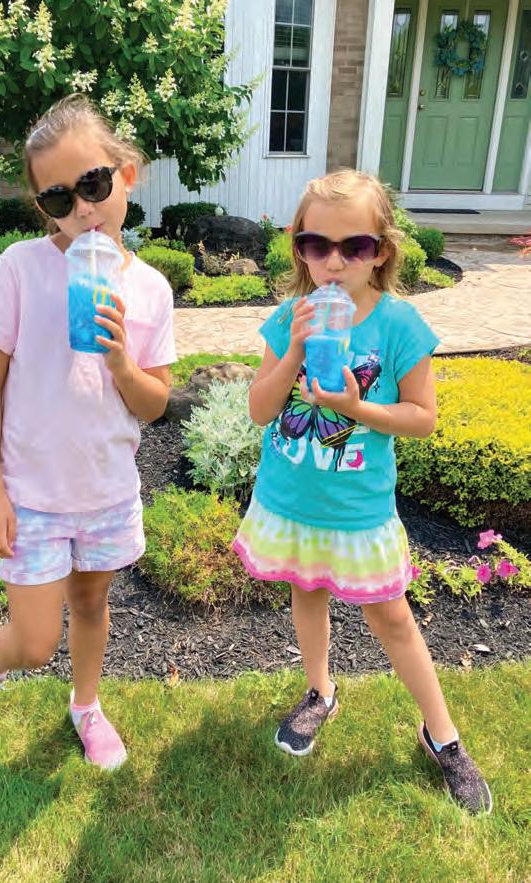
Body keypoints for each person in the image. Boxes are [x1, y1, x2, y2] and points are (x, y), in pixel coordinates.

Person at [232, 169, 492, 814]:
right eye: (316, 245)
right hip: (293, 500)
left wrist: (355, 407)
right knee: (307, 591)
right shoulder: (288, 318)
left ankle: (442, 736)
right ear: (298, 247)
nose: (334, 262)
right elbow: (261, 410)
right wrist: (294, 348)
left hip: (358, 508)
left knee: (392, 616)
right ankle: (320, 692)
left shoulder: (399, 325)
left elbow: (421, 418)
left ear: (381, 251)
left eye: (355, 247)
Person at [0, 94, 176, 770]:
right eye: (58, 198)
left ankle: (87, 704)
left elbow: (154, 403)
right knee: (36, 639)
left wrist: (121, 362)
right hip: (33, 495)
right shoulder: (22, 268)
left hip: (105, 490)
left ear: (126, 175)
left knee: (91, 602)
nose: (82, 207)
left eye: (94, 184)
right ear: (43, 206)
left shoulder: (151, 290)